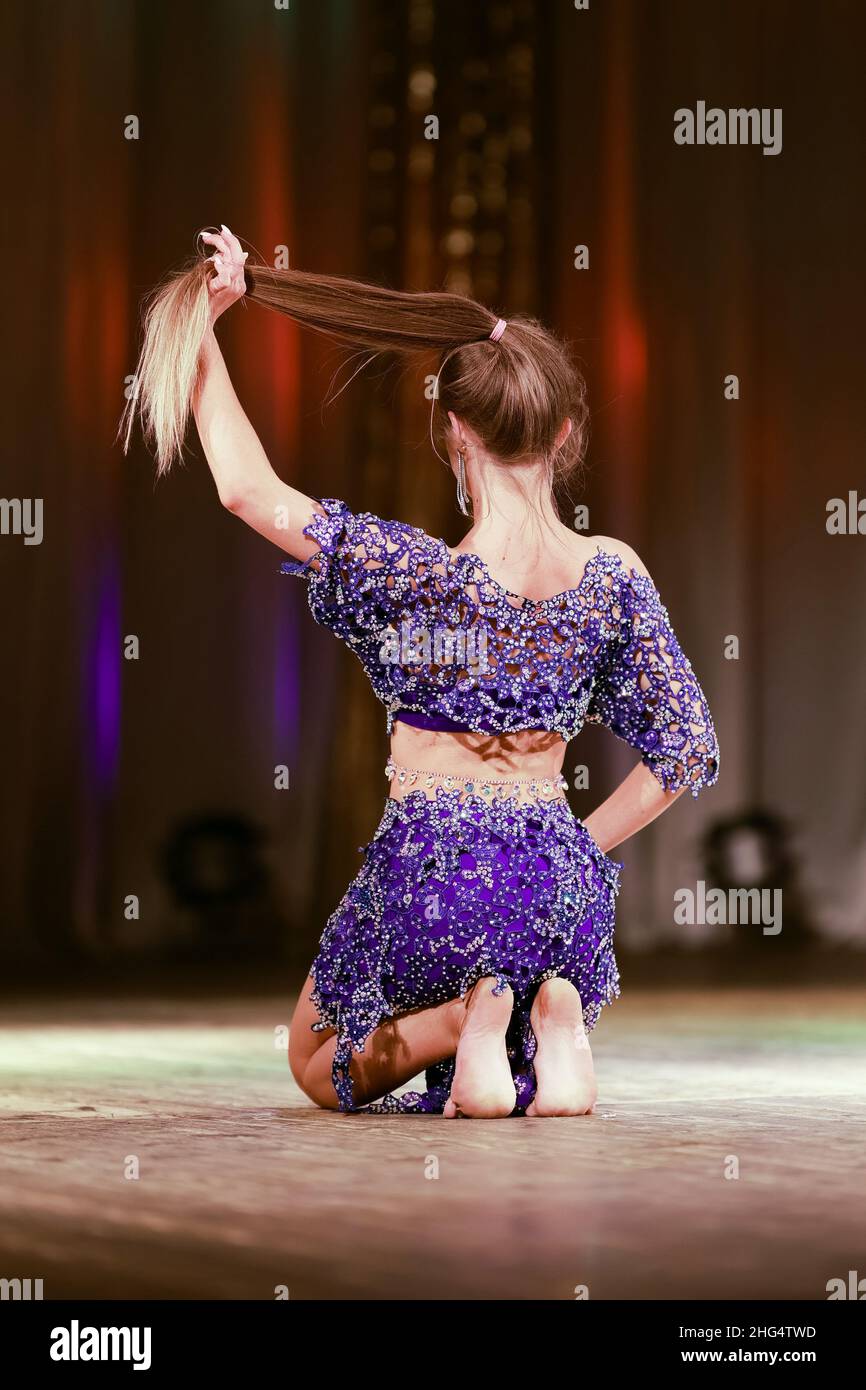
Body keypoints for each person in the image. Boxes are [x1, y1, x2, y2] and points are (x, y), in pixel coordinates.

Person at [124, 225, 720, 1118]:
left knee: (315, 1060)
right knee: (529, 954)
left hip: (430, 876)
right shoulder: (617, 574)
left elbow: (247, 490)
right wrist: (570, 852)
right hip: (554, 890)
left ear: (454, 434)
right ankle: (546, 1030)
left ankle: (458, 1024)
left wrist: (206, 327)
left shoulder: (415, 573)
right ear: (565, 433)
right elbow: (687, 752)